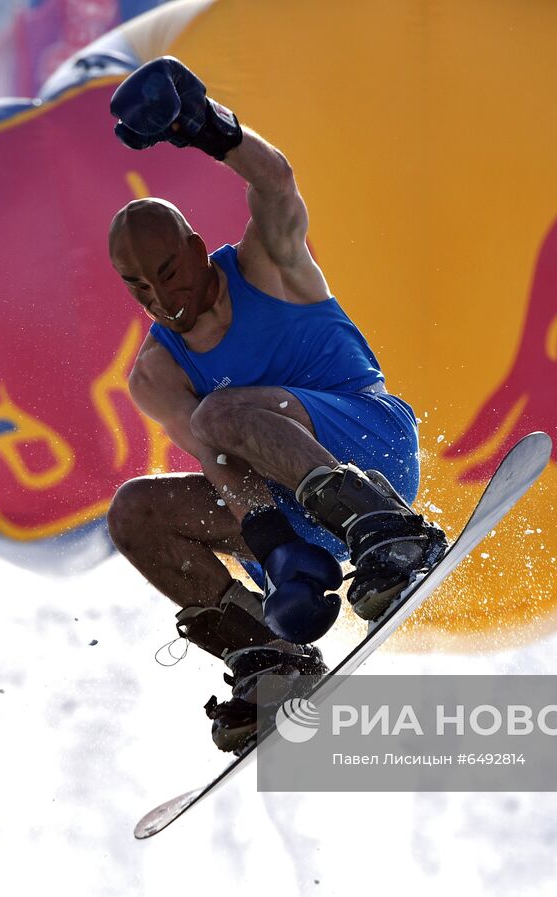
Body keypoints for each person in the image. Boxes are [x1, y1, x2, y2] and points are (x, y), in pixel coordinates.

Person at [103, 57, 446, 752]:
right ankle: (269, 656)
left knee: (217, 414)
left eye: (169, 273)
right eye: (140, 288)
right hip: (282, 516)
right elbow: (217, 459)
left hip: (368, 449)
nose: (162, 299)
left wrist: (203, 127)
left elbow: (275, 180)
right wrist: (276, 549)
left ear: (198, 251)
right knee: (134, 511)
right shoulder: (155, 371)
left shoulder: (268, 264)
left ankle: (387, 531)